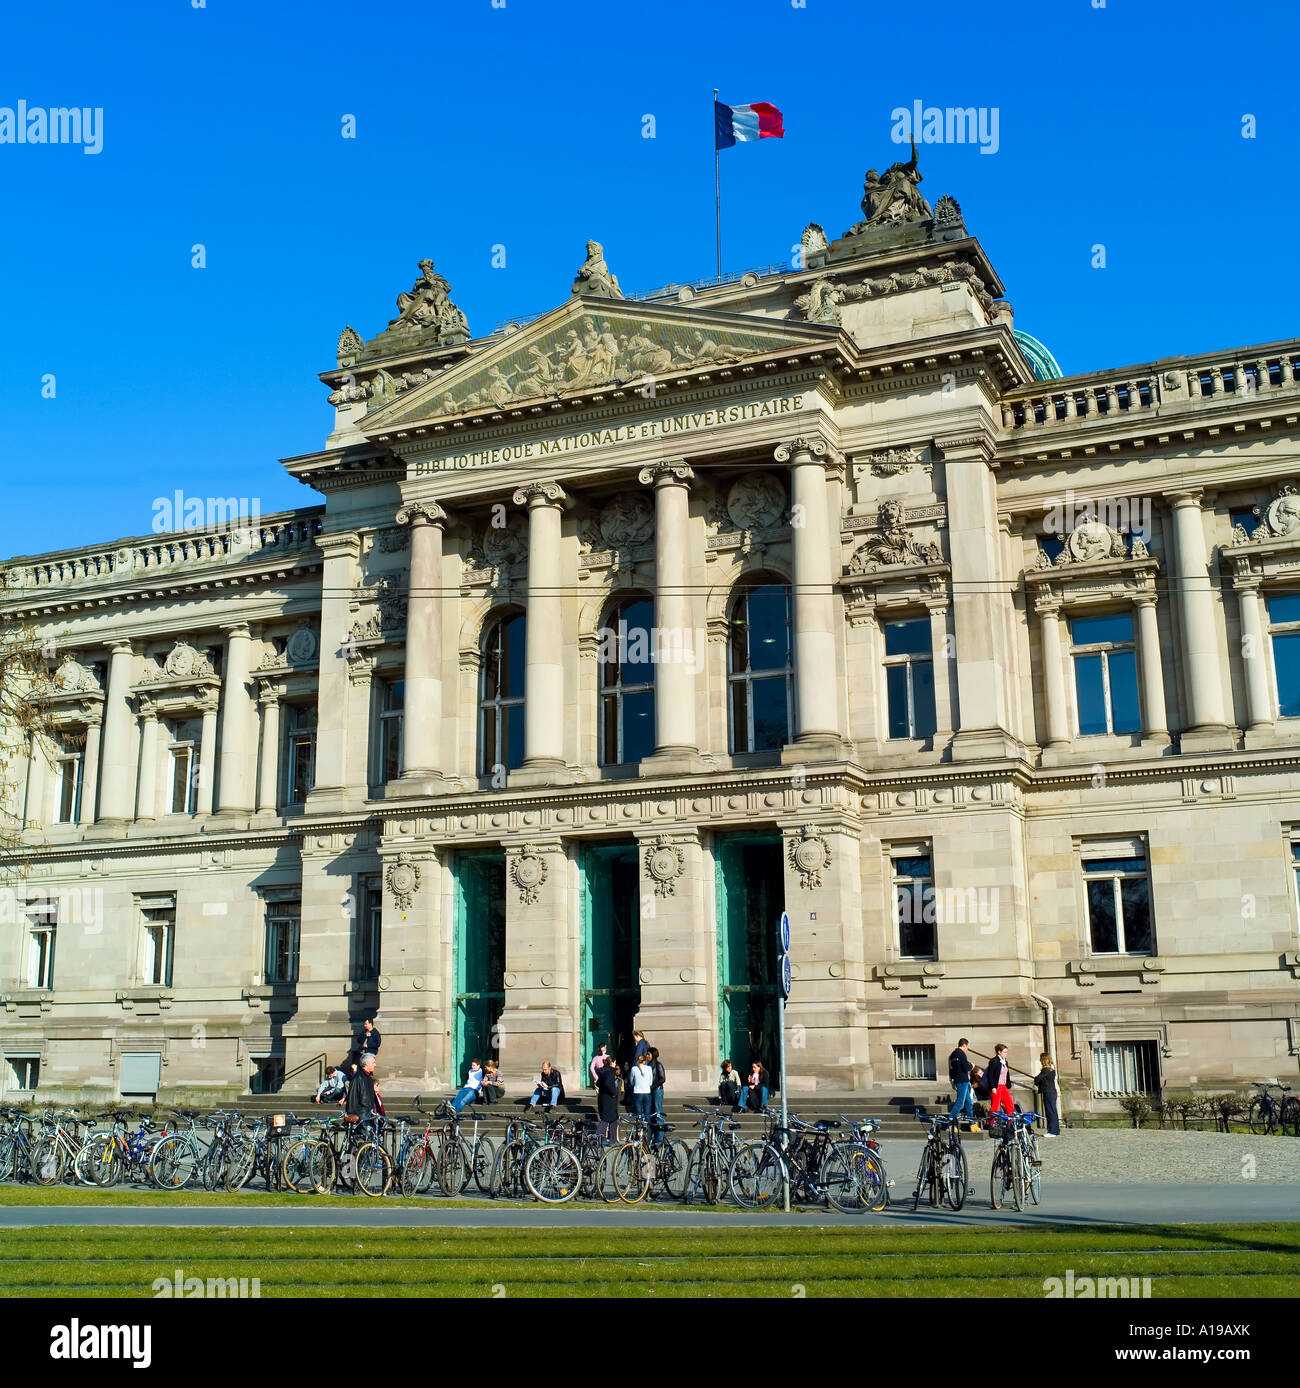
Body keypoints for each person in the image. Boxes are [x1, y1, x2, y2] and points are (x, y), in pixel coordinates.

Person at [947, 1037, 975, 1125]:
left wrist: (952, 1080)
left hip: (958, 1080)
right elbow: (966, 1067)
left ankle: (971, 1120)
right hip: (963, 1080)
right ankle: (951, 1119)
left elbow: (951, 1069)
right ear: (964, 1045)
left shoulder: (952, 1054)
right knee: (960, 1103)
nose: (967, 1049)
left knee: (969, 1102)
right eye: (967, 1047)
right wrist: (972, 1066)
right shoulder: (962, 1054)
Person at [345, 1052, 380, 1121]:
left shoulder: (368, 1077)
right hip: (361, 1117)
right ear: (366, 1063)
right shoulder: (358, 1078)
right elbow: (352, 1097)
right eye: (373, 1063)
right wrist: (352, 1115)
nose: (375, 1065)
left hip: (368, 1114)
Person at [984, 1044, 1014, 1121]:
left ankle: (1010, 1122)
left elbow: (1007, 1074)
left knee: (1009, 1104)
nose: (1006, 1054)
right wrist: (993, 1087)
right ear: (999, 1052)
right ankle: (990, 1122)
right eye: (1004, 1052)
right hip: (996, 1086)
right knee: (995, 1106)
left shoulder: (1005, 1062)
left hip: (1003, 1086)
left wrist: (1008, 1084)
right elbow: (990, 1075)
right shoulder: (994, 1061)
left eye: (1007, 1052)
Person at [1034, 1053, 1061, 1137]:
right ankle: (1055, 1130)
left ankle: (1052, 1131)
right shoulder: (1052, 1069)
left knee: (1050, 1112)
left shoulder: (1045, 1070)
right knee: (1053, 1111)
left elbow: (1038, 1079)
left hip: (1048, 1092)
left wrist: (1036, 1080)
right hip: (1052, 1091)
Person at [596, 1059, 621, 1143]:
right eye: (614, 1062)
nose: (615, 1064)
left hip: (603, 1097)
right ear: (612, 1063)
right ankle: (598, 1136)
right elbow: (608, 1083)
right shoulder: (610, 1071)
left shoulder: (603, 1071)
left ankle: (613, 1140)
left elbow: (598, 1083)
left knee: (613, 1119)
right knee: (606, 1119)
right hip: (609, 1099)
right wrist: (614, 1092)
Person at [630, 1053, 655, 1120]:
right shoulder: (649, 1068)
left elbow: (631, 1082)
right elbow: (650, 1082)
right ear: (644, 1061)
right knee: (647, 1113)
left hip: (637, 1092)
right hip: (647, 1092)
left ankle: (639, 1129)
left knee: (639, 1114)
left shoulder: (633, 1069)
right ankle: (647, 1129)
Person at [649, 1047, 666, 1121]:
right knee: (652, 1111)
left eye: (648, 1054)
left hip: (657, 1090)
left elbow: (662, 1079)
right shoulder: (648, 1065)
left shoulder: (658, 1065)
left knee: (657, 1111)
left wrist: (652, 1087)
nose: (647, 1056)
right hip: (651, 1090)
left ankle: (660, 1131)